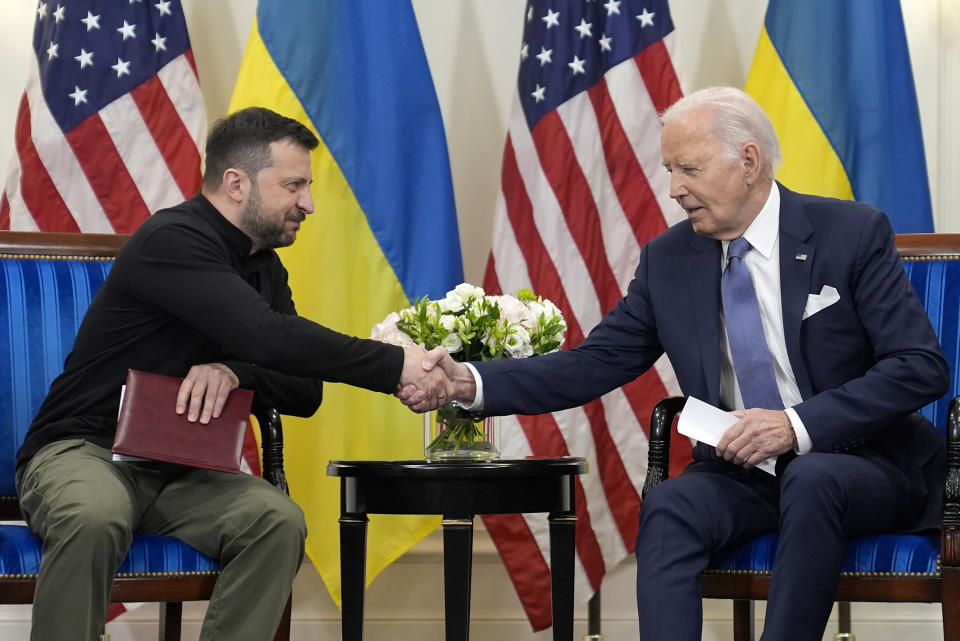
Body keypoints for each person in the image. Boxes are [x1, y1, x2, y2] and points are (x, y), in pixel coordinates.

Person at [402, 87, 949, 641]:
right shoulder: (668, 259)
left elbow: (918, 366)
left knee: (811, 476)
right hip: (745, 472)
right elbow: (591, 364)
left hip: (863, 464)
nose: (673, 190)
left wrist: (794, 426)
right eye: (668, 170)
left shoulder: (849, 233)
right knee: (670, 504)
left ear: (749, 161)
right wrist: (466, 381)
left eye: (689, 168)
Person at [15, 106, 451, 641]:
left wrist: (233, 370)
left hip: (178, 472)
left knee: (277, 523)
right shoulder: (172, 240)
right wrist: (396, 364)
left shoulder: (264, 266)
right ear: (236, 182)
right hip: (82, 451)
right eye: (294, 185)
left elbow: (303, 390)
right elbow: (268, 336)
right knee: (96, 514)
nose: (308, 204)